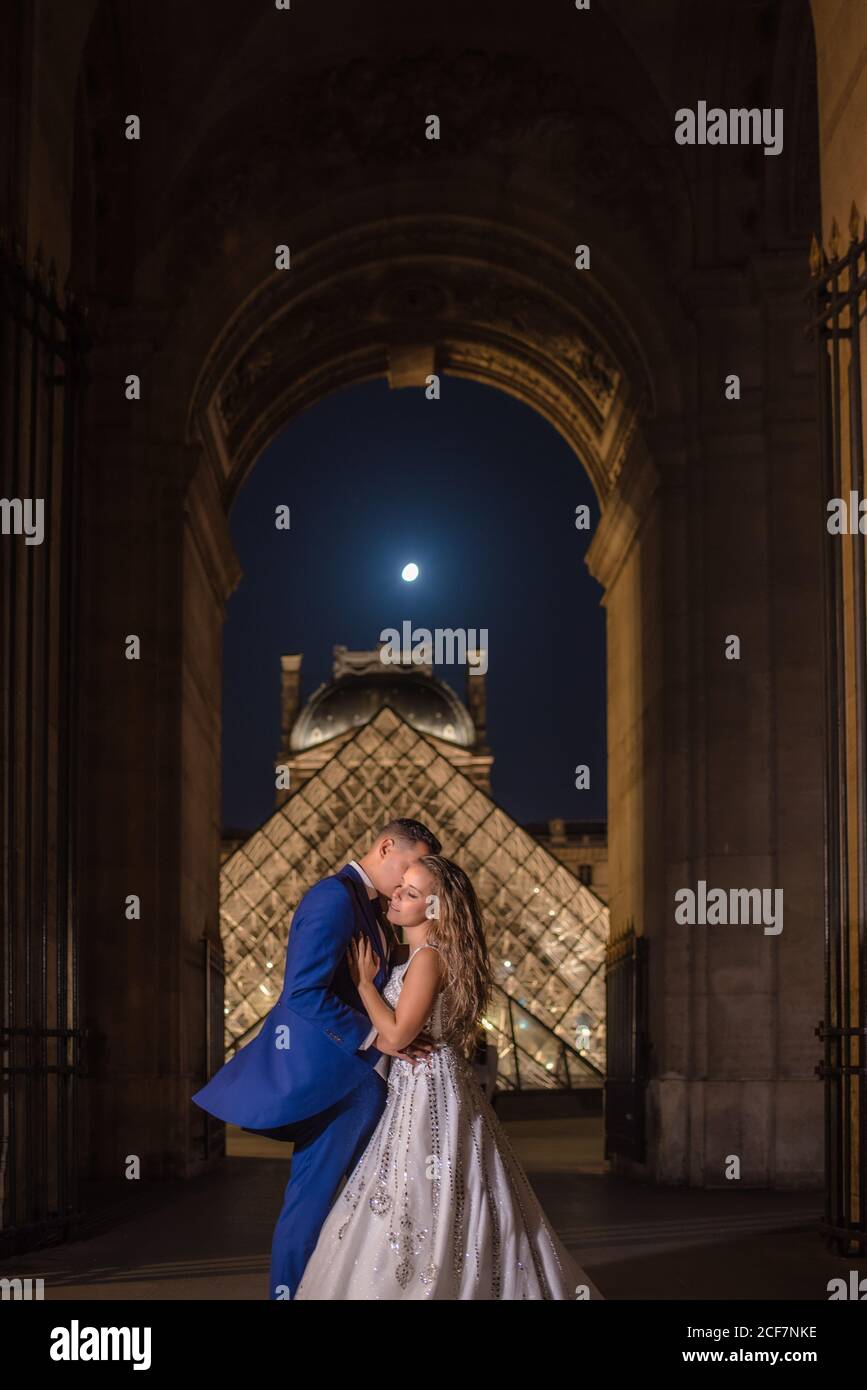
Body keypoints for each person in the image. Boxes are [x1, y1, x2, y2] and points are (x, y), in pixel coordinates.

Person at [293, 855, 602, 1300]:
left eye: (411, 893)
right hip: (426, 1083)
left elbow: (400, 1031)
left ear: (436, 909)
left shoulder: (429, 958)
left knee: (419, 1190)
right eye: (400, 886)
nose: (395, 894)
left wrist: (363, 984)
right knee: (434, 1190)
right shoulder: (417, 954)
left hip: (425, 1088)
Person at [191, 817, 442, 1300]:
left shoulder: (362, 903)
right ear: (386, 846)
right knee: (315, 1199)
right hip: (335, 1083)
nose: (417, 881)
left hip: (354, 1080)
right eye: (413, 865)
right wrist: (379, 1036)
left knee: (364, 1196)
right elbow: (303, 992)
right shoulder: (333, 898)